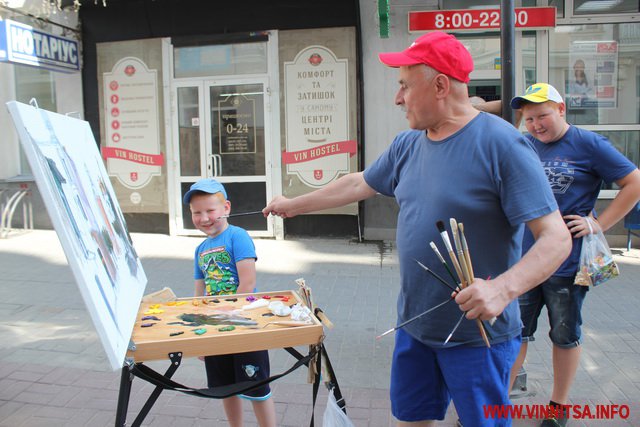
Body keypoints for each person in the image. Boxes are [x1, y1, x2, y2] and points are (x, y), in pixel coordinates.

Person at [263, 31, 572, 427]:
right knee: (411, 421)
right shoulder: (407, 144)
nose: (397, 98)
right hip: (415, 325)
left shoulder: (504, 145)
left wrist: (502, 288)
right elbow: (360, 183)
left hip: (478, 337)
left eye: (405, 86)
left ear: (440, 85)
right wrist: (293, 204)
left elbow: (557, 237)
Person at [509, 83, 640, 427]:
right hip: (523, 259)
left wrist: (598, 223)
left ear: (562, 110)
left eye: (543, 116)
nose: (536, 124)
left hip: (566, 263)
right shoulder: (525, 144)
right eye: (529, 118)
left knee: (564, 334)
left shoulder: (588, 144)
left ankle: (558, 406)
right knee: (513, 333)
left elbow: (634, 181)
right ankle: (493, 406)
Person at [184, 178, 276, 427]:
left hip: (245, 325)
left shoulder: (239, 236)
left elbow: (247, 284)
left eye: (210, 210)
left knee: (256, 387)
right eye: (196, 212)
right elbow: (198, 296)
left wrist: (226, 312)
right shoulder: (200, 249)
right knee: (226, 388)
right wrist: (201, 335)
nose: (204, 218)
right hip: (216, 328)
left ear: (226, 208)